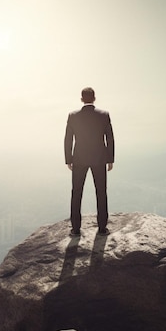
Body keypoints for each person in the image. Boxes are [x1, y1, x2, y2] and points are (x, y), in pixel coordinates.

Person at [64, 87, 115, 237]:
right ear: (94, 98)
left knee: (76, 193)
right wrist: (110, 159)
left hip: (79, 158)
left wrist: (68, 159)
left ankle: (75, 229)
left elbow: (68, 139)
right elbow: (110, 138)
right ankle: (102, 228)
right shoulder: (104, 115)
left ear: (81, 99)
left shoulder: (73, 116)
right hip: (99, 159)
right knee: (101, 192)